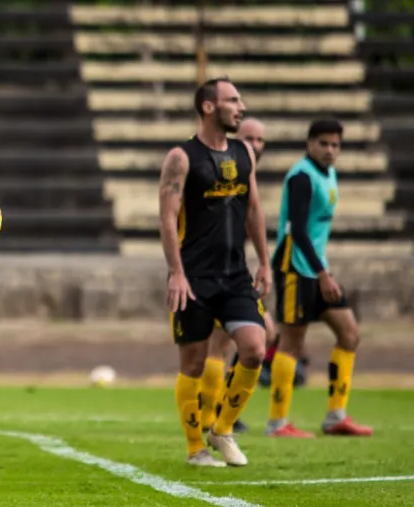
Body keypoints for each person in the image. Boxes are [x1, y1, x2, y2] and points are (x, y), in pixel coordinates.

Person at [158, 77, 270, 468]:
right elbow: (168, 219)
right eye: (233, 100)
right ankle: (195, 449)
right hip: (194, 278)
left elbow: (253, 210)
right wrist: (176, 272)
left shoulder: (243, 154)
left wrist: (265, 261)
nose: (241, 107)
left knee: (256, 348)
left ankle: (222, 429)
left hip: (235, 275)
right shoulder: (181, 158)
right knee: (192, 363)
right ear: (209, 107)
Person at [264, 118, 373, 438]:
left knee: (350, 333)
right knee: (292, 344)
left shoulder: (330, 174)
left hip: (318, 268)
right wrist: (323, 274)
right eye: (323, 144)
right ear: (310, 143)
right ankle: (277, 422)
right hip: (295, 268)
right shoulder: (301, 176)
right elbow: (297, 230)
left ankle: (336, 415)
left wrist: (323, 271)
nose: (330, 150)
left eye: (335, 145)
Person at [198, 117, 276, 435]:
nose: (255, 146)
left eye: (260, 140)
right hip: (214, 273)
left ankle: (220, 409)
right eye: (249, 139)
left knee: (258, 336)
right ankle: (211, 416)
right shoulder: (219, 172)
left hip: (236, 272)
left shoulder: (245, 176)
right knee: (220, 344)